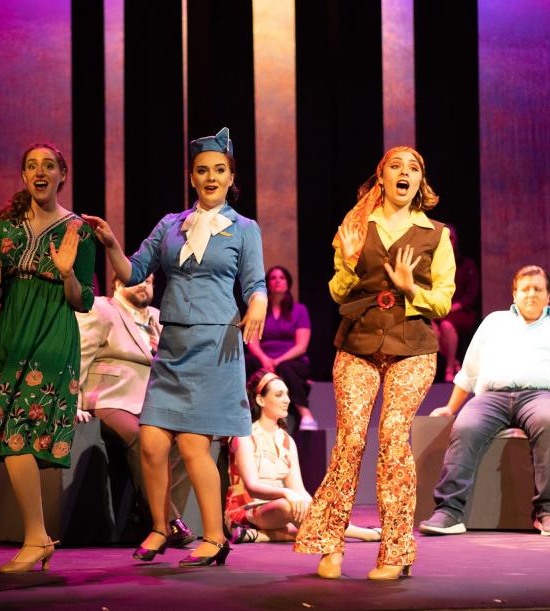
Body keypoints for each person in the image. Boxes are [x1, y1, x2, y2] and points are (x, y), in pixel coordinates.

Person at [83, 127, 267, 568]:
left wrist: (257, 302)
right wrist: (110, 244)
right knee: (150, 440)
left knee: (191, 444)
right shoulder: (171, 225)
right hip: (173, 347)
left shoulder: (244, 229)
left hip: (214, 345)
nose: (210, 177)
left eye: (219, 170)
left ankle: (214, 537)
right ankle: (159, 527)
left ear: (230, 177)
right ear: (191, 177)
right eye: (202, 170)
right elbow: (132, 273)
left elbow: (255, 283)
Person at [293, 146, 455, 580]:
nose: (405, 173)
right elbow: (336, 291)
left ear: (421, 181)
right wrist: (347, 263)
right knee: (349, 440)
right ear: (381, 177)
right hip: (358, 342)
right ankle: (330, 546)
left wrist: (410, 290)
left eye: (414, 168)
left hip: (413, 346)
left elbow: (443, 300)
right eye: (396, 167)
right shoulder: (353, 226)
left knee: (392, 436)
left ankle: (397, 551)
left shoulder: (435, 235)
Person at [0, 143, 95, 573]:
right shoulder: (6, 223)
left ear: (62, 175)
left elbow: (83, 298)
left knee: (18, 436)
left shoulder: (76, 230)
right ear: (24, 177)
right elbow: (3, 289)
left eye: (49, 165)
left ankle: (37, 537)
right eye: (32, 166)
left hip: (51, 338)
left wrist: (66, 273)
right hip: (9, 336)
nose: (39, 172)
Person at [418, 265, 550, 538]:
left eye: (538, 289)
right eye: (524, 289)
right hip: (493, 397)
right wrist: (450, 408)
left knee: (549, 421)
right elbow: (469, 372)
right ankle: (449, 512)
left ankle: (548, 512)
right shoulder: (494, 322)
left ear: (549, 296)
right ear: (514, 294)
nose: (531, 294)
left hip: (542, 397)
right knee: (465, 426)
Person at [75, 274, 195, 547]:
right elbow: (80, 354)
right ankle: (166, 522)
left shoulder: (158, 317)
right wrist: (74, 399)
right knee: (141, 437)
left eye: (150, 281)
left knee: (187, 441)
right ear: (117, 283)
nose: (144, 285)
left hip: (153, 401)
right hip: (111, 397)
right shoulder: (102, 308)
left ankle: (144, 521)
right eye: (138, 279)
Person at [226, 370, 381, 545]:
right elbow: (253, 487)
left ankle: (260, 536)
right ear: (260, 400)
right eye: (279, 395)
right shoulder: (245, 436)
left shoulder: (287, 440)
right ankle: (365, 534)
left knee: (311, 511)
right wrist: (287, 493)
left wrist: (317, 508)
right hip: (246, 511)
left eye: (287, 394)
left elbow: (298, 489)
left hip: (278, 510)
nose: (287, 400)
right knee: (289, 506)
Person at [245, 265, 318, 432]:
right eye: (273, 278)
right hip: (265, 359)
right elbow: (252, 340)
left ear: (288, 283)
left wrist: (277, 361)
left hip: (291, 360)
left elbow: (302, 346)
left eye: (281, 277)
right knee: (248, 360)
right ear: (268, 284)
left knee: (285, 368)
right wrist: (265, 359)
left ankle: (305, 413)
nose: (277, 281)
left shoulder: (299, 310)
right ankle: (242, 407)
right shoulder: (260, 310)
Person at [431, 225, 479, 382]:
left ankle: (450, 368)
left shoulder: (466, 264)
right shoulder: (433, 264)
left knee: (446, 325)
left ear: (455, 241)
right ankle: (456, 362)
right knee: (429, 326)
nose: (447, 241)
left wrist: (452, 308)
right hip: (440, 309)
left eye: (450, 238)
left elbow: (471, 294)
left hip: (461, 311)